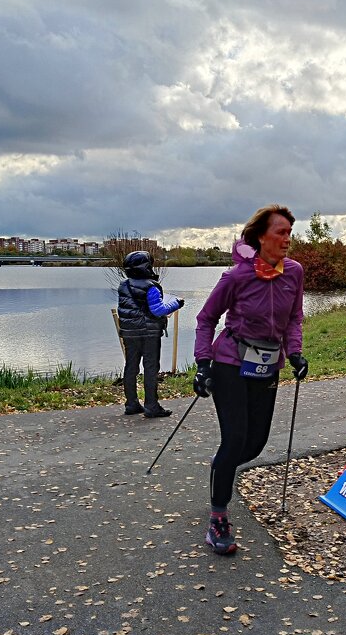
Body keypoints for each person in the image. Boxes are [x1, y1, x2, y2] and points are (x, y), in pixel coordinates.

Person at [193, 205, 308, 556]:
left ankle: (221, 468)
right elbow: (206, 318)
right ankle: (218, 520)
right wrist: (203, 363)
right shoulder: (236, 277)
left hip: (268, 365)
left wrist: (296, 353)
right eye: (280, 232)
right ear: (261, 236)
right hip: (230, 362)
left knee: (255, 444)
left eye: (290, 232)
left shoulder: (294, 272)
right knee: (235, 438)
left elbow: (293, 319)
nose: (287, 239)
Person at [117, 251, 184, 418]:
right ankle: (151, 406)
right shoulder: (151, 287)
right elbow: (158, 310)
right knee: (151, 368)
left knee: (131, 367)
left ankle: (131, 404)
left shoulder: (123, 285)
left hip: (128, 332)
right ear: (146, 267)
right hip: (149, 333)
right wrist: (176, 304)